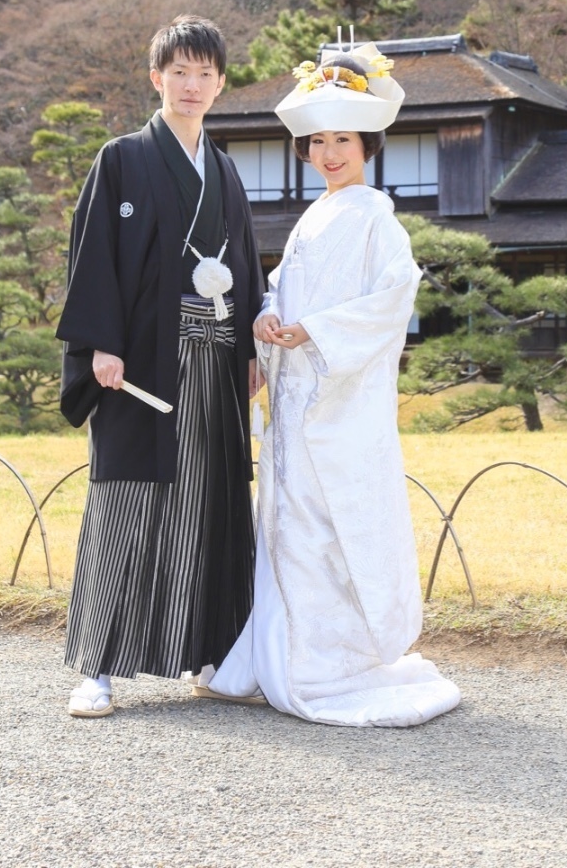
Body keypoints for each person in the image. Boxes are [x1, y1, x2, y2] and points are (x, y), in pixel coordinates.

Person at [200, 44, 461, 727]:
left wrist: (313, 332)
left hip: (342, 409)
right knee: (290, 527)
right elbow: (280, 289)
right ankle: (283, 651)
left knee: (330, 531)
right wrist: (267, 317)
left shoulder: (377, 218)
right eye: (318, 141)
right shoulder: (315, 218)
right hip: (297, 403)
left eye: (342, 139)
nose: (329, 152)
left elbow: (391, 301)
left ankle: (331, 661)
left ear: (367, 143)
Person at [56, 14, 263, 718]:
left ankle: (210, 655)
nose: (192, 85)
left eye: (205, 73)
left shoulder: (226, 170)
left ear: (222, 83)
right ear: (156, 77)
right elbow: (93, 260)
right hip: (142, 360)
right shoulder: (121, 158)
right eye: (180, 71)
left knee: (209, 497)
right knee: (127, 499)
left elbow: (245, 266)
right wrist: (99, 345)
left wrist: (253, 353)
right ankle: (99, 668)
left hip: (216, 355)